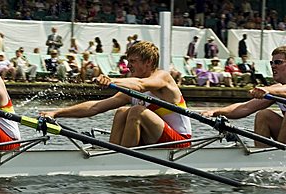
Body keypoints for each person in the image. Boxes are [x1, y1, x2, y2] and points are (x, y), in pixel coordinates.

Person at [40, 41, 192, 148]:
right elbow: (95, 107)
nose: (128, 65)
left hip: (179, 142)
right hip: (156, 139)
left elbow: (141, 85)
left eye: (133, 61)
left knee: (137, 111)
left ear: (149, 62)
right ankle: (113, 152)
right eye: (127, 61)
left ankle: (121, 158)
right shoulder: (131, 85)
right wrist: (56, 113)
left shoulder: (163, 77)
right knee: (121, 111)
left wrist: (110, 80)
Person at [201, 46, 286, 147]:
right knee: (263, 115)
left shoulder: (275, 91)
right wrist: (214, 112)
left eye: (278, 62)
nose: (273, 66)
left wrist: (268, 90)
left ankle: (281, 154)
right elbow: (244, 108)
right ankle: (263, 157)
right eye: (271, 63)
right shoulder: (276, 90)